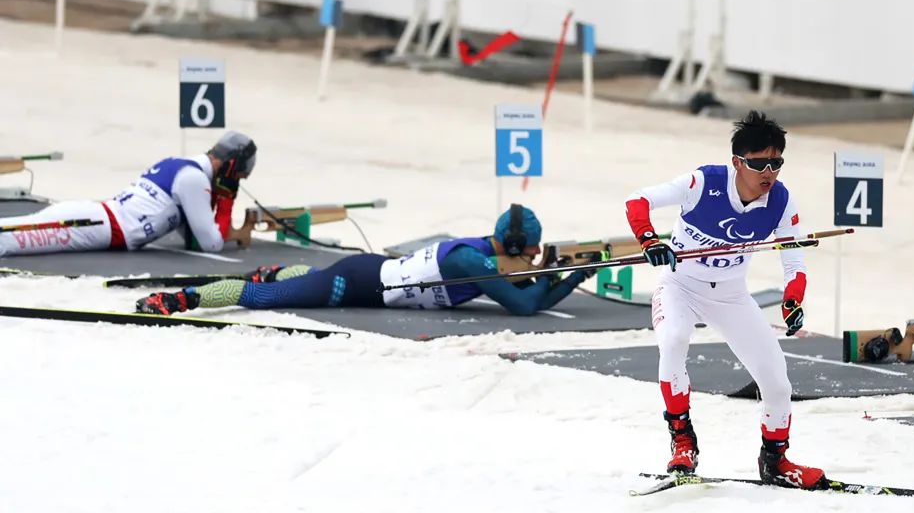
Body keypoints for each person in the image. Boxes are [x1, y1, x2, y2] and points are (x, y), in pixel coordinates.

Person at [624, 110, 824, 489]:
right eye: (759, 163)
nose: (769, 172)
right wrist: (649, 240)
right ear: (737, 162)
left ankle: (775, 461)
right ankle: (683, 442)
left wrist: (792, 301)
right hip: (680, 286)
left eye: (776, 163)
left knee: (778, 384)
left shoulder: (781, 202)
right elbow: (636, 201)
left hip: (731, 295)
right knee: (674, 340)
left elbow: (794, 261)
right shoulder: (703, 183)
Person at [136, 204, 592, 317]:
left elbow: (525, 289)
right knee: (264, 298)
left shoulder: (478, 250)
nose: (534, 253)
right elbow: (527, 304)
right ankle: (181, 299)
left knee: (309, 279)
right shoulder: (472, 264)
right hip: (351, 286)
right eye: (531, 247)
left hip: (367, 270)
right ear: (512, 246)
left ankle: (278, 270)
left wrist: (571, 273)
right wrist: (573, 275)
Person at [0, 131, 256, 257]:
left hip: (100, 219)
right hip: (101, 224)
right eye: (239, 177)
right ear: (231, 167)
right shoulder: (194, 179)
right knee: (15, 239)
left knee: (19, 230)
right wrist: (224, 202)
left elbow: (192, 238)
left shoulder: (182, 165)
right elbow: (211, 243)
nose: (237, 183)